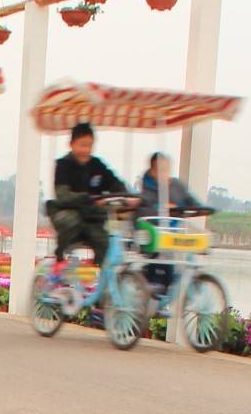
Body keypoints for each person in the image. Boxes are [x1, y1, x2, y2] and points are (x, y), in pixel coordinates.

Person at [46, 121, 128, 269]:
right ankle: (59, 256)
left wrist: (126, 196)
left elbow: (115, 183)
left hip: (92, 218)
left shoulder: (97, 165)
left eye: (89, 145)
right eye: (82, 145)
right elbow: (62, 195)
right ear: (71, 144)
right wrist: (87, 199)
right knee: (72, 219)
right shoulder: (64, 165)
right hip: (69, 216)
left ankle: (104, 276)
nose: (86, 150)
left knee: (105, 240)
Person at [137, 153, 212, 293]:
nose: (165, 174)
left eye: (167, 169)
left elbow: (191, 201)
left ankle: (177, 291)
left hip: (175, 236)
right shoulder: (146, 189)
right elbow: (143, 212)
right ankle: (157, 292)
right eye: (161, 170)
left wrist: (203, 210)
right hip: (154, 235)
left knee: (184, 262)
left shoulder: (176, 185)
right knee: (163, 266)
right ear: (153, 171)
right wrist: (164, 210)